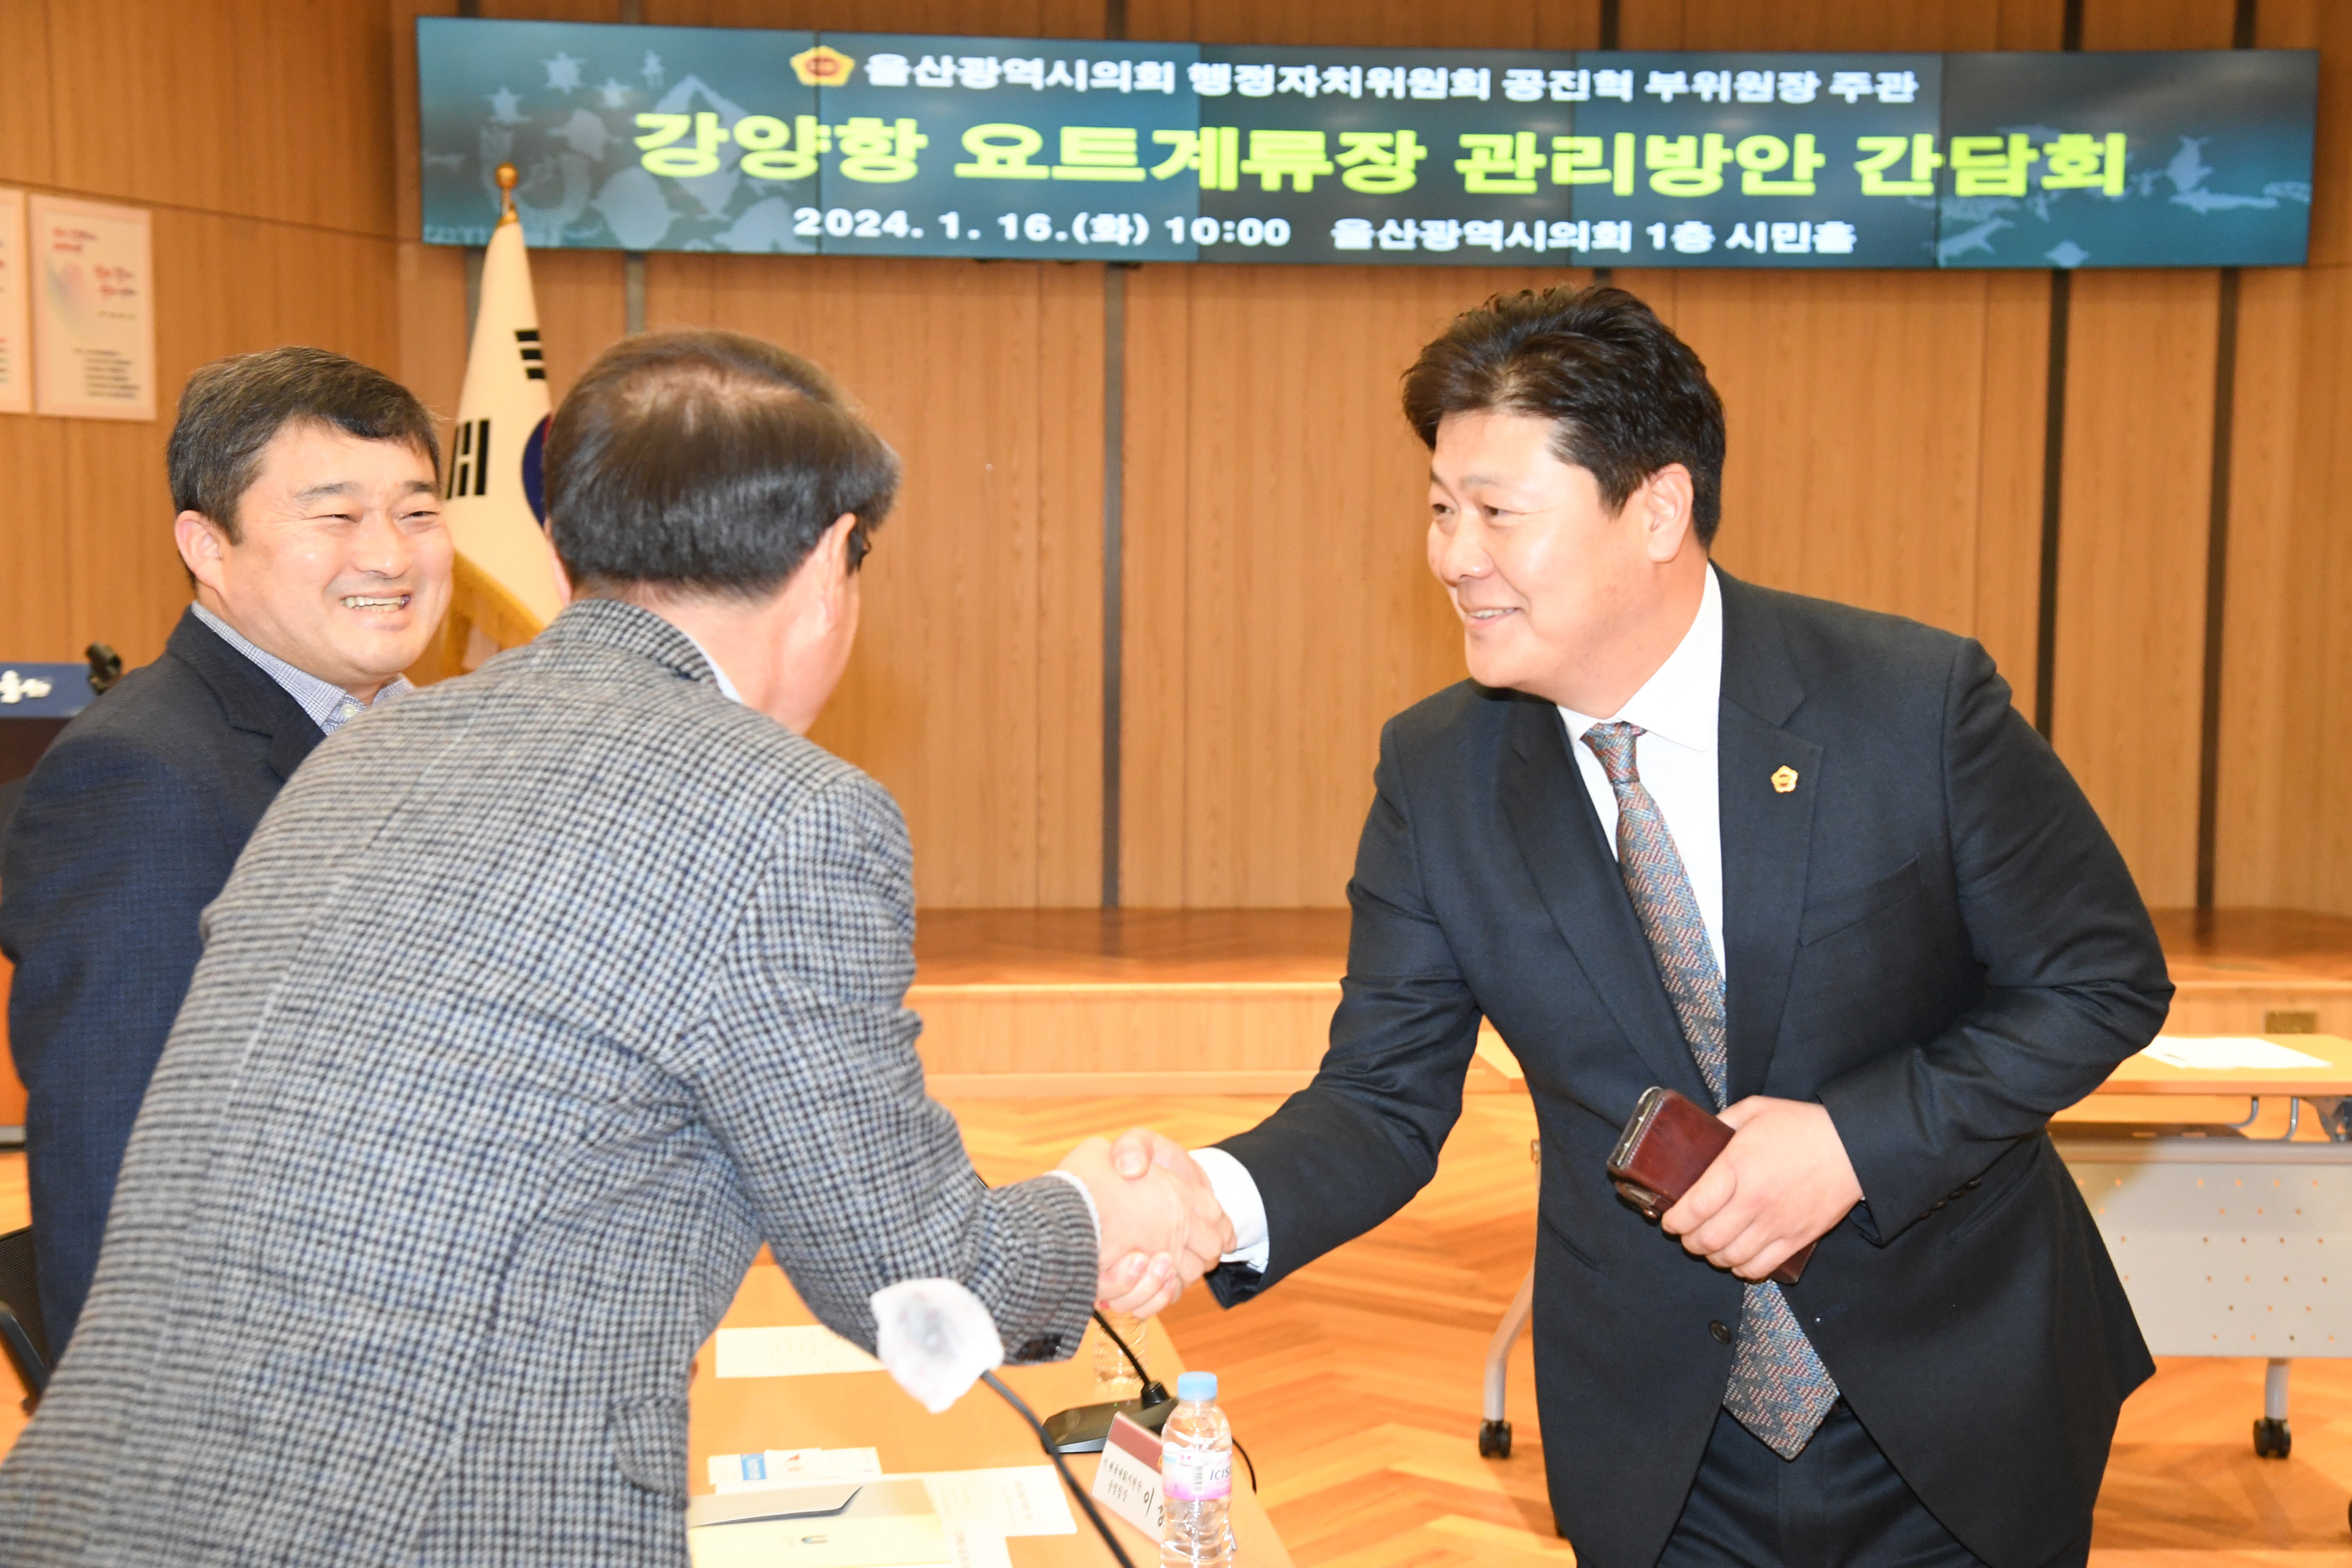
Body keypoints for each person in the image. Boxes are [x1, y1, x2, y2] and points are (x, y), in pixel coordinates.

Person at [0, 329, 1229, 1563]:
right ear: (827, 560)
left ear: (561, 543)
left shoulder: (366, 749)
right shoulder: (789, 812)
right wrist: (1113, 1209)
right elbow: (915, 1290)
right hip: (424, 1523)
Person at [1116, 285, 2170, 1567]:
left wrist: (1853, 1144)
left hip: (1960, 1406)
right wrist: (1210, 1206)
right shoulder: (1441, 775)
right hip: (1667, 1444)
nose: (1454, 553)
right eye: (1442, 507)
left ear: (1656, 508)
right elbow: (1382, 1098)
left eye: (1499, 511)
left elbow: (2099, 980)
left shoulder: (1909, 703)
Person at [0, 347, 456, 1355]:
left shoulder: (437, 737)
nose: (389, 553)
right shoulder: (139, 775)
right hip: (270, 1399)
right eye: (335, 515)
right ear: (208, 545)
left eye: (418, 512)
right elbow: (116, 1161)